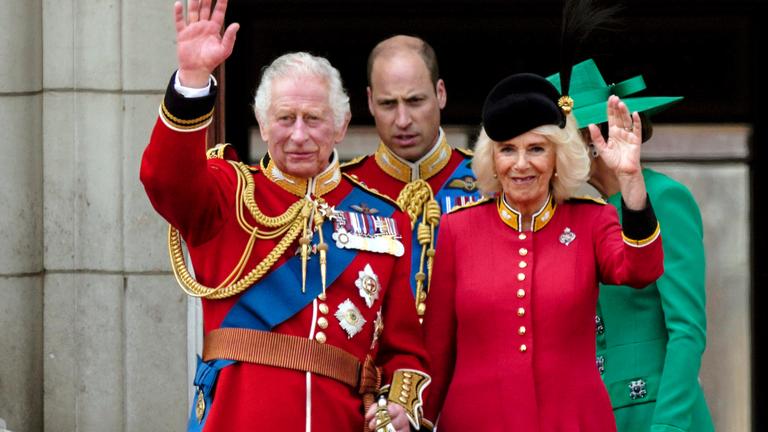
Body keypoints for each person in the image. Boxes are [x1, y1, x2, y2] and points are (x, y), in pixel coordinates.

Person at [139, 1, 430, 431]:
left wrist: (400, 406)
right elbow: (165, 178)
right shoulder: (228, 193)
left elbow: (405, 351)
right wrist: (193, 80)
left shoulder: (388, 220)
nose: (298, 135)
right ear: (261, 120)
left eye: (313, 119)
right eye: (285, 118)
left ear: (342, 125)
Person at [421, 69, 665, 431]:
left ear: (557, 158)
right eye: (507, 150)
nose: (521, 164)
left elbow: (640, 270)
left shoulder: (592, 221)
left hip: (573, 421)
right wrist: (420, 420)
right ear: (492, 159)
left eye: (536, 149)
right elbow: (436, 354)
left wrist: (630, 180)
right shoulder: (458, 230)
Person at [547, 59, 715, 432]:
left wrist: (668, 426)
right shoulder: (584, 213)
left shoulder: (664, 197)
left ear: (592, 140)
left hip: (658, 414)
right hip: (601, 416)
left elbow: (687, 329)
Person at [342, 35, 481, 319]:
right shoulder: (342, 189)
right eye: (388, 104)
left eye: (415, 101)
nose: (403, 119)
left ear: (440, 93)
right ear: (369, 102)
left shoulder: (489, 182)